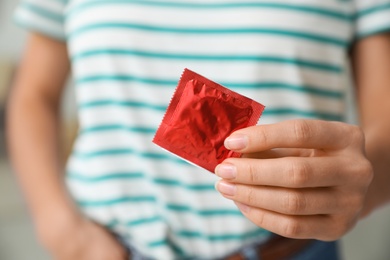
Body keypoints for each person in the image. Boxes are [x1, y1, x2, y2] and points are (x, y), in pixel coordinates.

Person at [6, 0, 390, 259]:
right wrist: (58, 225)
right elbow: (34, 95)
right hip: (105, 245)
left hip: (291, 248)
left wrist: (363, 186)